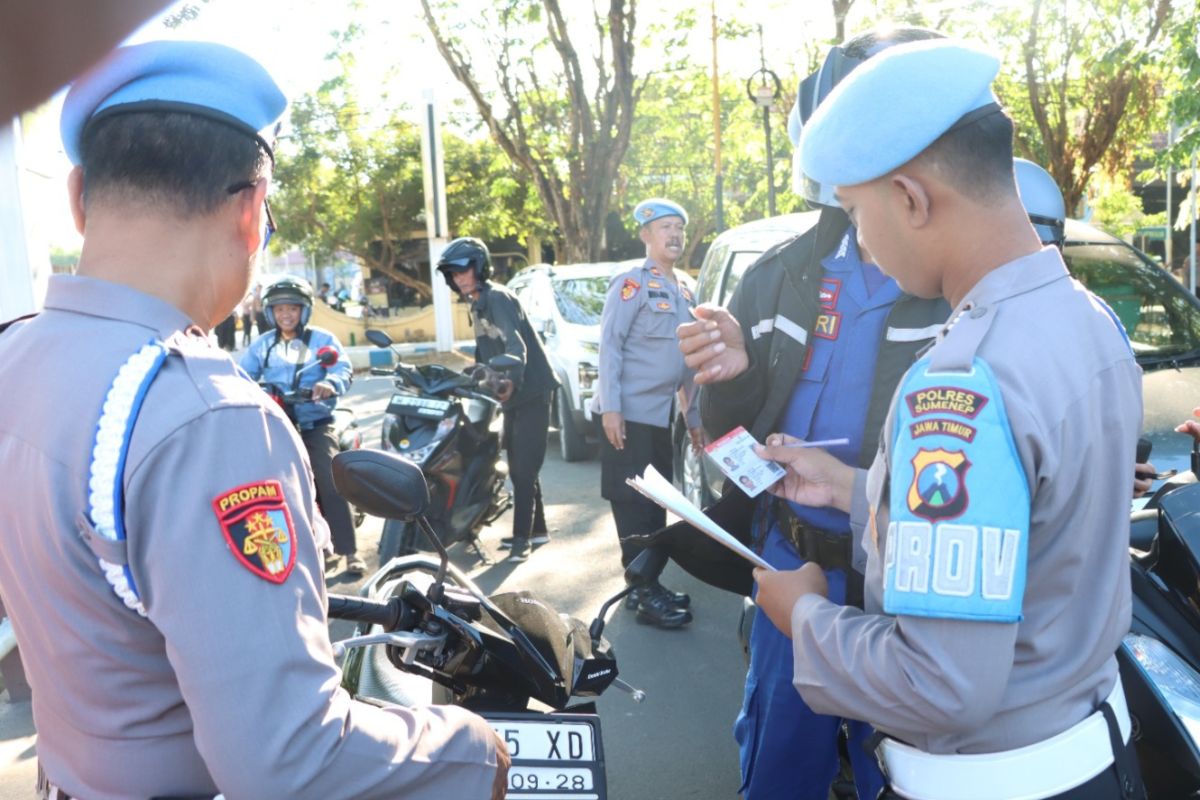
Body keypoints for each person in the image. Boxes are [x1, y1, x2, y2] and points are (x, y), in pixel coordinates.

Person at [0, 41, 508, 799]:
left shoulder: (18, 353)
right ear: (249, 212)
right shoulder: (207, 417)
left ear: (77, 196)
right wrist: (474, 750)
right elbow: (292, 761)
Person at [752, 38, 1145, 799]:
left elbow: (938, 683)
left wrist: (803, 616)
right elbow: (1030, 530)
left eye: (854, 213)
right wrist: (853, 488)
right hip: (1095, 756)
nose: (859, 239)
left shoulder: (960, 382)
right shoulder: (1088, 320)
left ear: (911, 198)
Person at [648, 29, 949, 800]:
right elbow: (721, 435)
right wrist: (736, 376)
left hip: (912, 580)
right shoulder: (779, 278)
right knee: (781, 757)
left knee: (906, 767)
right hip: (791, 565)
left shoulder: (961, 291)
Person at [591, 198, 704, 629]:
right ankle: (640, 587)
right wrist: (612, 409)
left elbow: (689, 363)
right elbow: (610, 346)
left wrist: (693, 419)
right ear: (645, 235)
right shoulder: (631, 283)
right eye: (664, 228)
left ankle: (648, 583)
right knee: (632, 506)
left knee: (658, 504)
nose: (674, 235)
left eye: (679, 227)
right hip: (629, 415)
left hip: (662, 417)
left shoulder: (687, 288)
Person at [436, 236, 558, 563]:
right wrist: (471, 377)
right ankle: (538, 529)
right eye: (454, 273)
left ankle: (521, 541)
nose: (460, 278)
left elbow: (516, 350)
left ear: (480, 268)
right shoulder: (477, 302)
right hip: (513, 395)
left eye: (465, 270)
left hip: (530, 391)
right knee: (521, 461)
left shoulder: (498, 298)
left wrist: (506, 382)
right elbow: (486, 352)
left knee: (522, 468)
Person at [240, 276, 365, 576]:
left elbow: (341, 369)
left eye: (292, 309)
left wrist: (328, 383)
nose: (286, 315)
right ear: (270, 312)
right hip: (277, 423)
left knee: (329, 478)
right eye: (280, 309)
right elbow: (242, 375)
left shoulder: (322, 341)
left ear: (304, 310)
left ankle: (349, 552)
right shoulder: (263, 346)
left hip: (315, 422)